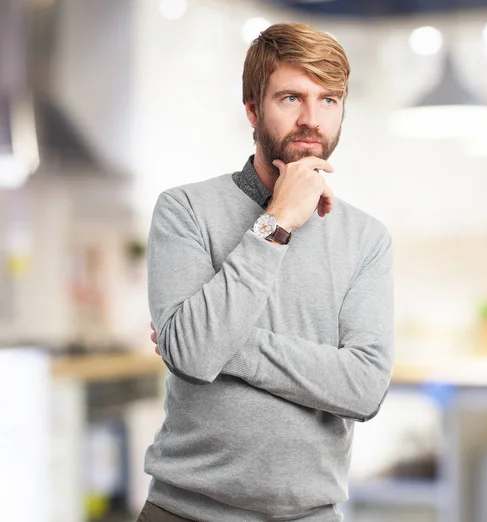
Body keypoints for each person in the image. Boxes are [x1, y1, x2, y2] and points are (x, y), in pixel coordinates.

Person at [140, 22, 395, 522]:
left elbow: (364, 388)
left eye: (328, 100)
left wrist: (220, 344)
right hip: (184, 512)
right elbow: (193, 354)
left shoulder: (367, 239)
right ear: (253, 110)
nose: (311, 119)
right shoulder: (184, 210)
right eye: (291, 98)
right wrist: (275, 223)